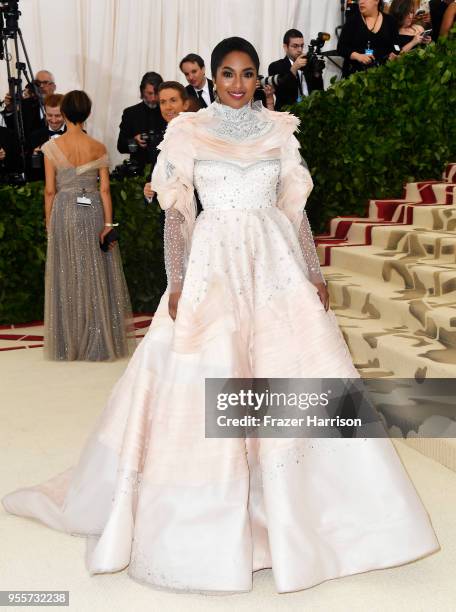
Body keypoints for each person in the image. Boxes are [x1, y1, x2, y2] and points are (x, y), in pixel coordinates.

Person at [2, 38, 439, 594]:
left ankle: (308, 513)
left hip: (274, 262)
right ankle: (222, 515)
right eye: (228, 73)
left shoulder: (281, 129)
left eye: (248, 74)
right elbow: (178, 217)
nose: (239, 83)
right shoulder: (187, 130)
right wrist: (178, 280)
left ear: (259, 78)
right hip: (213, 266)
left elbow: (295, 211)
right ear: (211, 77)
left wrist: (313, 271)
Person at [39, 90, 132, 361]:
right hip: (92, 210)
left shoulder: (51, 148)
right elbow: (105, 190)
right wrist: (108, 224)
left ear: (64, 113)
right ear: (87, 114)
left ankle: (67, 343)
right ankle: (99, 340)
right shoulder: (98, 147)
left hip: (64, 211)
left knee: (68, 271)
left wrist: (49, 223)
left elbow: (49, 191)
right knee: (94, 271)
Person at [117, 72, 167, 173]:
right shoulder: (130, 113)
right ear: (142, 91)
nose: (153, 98)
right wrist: (134, 141)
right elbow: (121, 146)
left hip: (164, 170)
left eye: (156, 93)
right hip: (138, 172)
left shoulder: (168, 112)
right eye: (149, 93)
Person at [337, 0, 401, 78]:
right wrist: (358, 56)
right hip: (354, 76)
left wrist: (394, 54)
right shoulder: (352, 21)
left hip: (382, 75)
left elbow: (396, 45)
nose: (361, 2)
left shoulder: (390, 21)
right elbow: (341, 48)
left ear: (376, 1)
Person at [268, 29, 324, 111]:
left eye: (301, 46)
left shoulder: (309, 64)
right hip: (287, 115)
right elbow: (282, 95)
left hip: (311, 114)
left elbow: (319, 91)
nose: (300, 50)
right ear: (285, 47)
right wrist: (294, 69)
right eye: (295, 46)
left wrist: (317, 73)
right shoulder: (275, 66)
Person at [27, 93, 66, 181]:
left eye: (58, 115)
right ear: (45, 114)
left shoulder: (78, 135)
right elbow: (30, 173)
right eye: (49, 115)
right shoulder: (34, 136)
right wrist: (35, 156)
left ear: (65, 114)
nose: (53, 120)